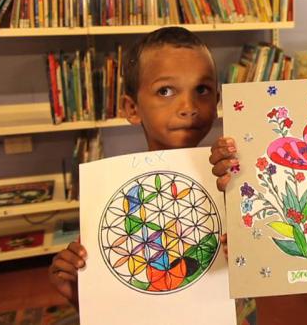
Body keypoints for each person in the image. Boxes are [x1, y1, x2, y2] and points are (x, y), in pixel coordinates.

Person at [48, 26, 224, 307]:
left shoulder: (232, 182)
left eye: (202, 89)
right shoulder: (121, 198)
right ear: (132, 108)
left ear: (216, 102)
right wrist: (80, 291)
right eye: (165, 91)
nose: (188, 106)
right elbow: (118, 296)